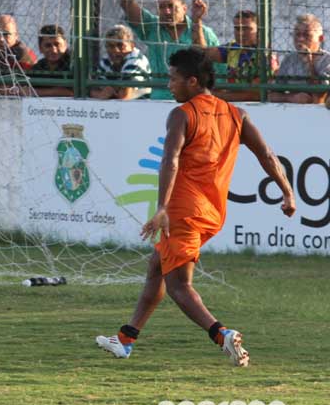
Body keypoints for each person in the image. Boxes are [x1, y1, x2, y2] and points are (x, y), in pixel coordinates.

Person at [96, 47, 295, 367]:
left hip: (182, 213)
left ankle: (222, 334)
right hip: (212, 214)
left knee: (178, 285)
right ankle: (125, 339)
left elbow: (170, 159)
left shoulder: (183, 114)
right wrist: (288, 193)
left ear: (192, 81)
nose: (169, 84)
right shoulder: (237, 114)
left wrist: (161, 208)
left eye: (173, 79)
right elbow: (268, 156)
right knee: (156, 269)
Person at [119, 0, 219, 99]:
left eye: (172, 6)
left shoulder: (204, 32)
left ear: (184, 8)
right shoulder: (152, 27)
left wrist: (197, 22)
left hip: (192, 101)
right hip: (158, 99)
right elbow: (126, 2)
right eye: (162, 7)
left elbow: (210, 66)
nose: (166, 11)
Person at [193, 7, 278, 102]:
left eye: (246, 29)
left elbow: (254, 95)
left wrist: (213, 95)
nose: (241, 33)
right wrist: (197, 20)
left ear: (259, 30)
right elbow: (202, 52)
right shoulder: (234, 48)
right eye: (237, 29)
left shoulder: (266, 56)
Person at [268, 14, 330, 104]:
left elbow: (319, 98)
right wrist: (290, 98)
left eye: (307, 35)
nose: (300, 39)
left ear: (320, 38)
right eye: (297, 34)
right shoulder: (289, 59)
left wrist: (309, 63)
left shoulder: (327, 60)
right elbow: (272, 95)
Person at [90, 24, 151, 100]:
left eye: (120, 45)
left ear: (132, 45)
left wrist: (110, 90)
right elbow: (94, 92)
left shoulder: (136, 60)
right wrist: (112, 90)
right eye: (111, 46)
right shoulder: (106, 61)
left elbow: (124, 96)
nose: (115, 50)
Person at [0, 14, 37, 94]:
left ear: (16, 35)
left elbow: (28, 86)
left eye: (6, 34)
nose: (1, 39)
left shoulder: (24, 54)